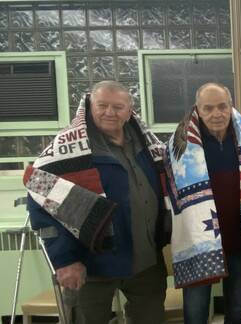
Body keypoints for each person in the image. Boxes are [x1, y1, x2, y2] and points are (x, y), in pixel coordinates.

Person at [24, 81, 170, 323]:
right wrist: (65, 260)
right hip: (90, 268)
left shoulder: (149, 145)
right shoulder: (66, 148)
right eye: (102, 105)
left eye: (118, 106)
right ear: (90, 106)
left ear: (130, 109)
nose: (110, 113)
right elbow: (42, 208)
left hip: (146, 263)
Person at [164, 83, 241, 324]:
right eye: (208, 108)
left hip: (239, 240)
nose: (216, 114)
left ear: (230, 106)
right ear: (198, 109)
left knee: (237, 309)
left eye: (222, 106)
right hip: (198, 243)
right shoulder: (179, 146)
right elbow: (169, 197)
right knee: (195, 312)